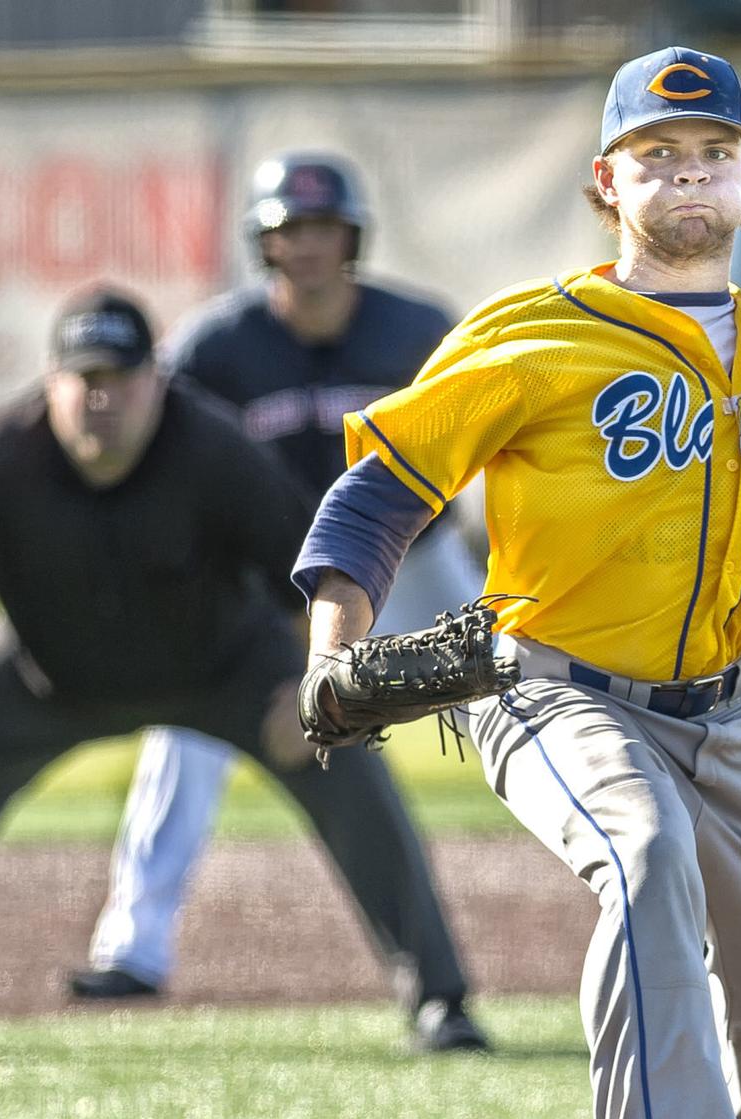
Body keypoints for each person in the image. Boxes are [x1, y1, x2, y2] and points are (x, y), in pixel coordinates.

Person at [291, 47, 741, 1119]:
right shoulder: (535, 333)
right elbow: (380, 493)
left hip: (732, 710)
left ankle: (740, 1062)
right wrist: (333, 644)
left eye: (714, 157)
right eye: (659, 158)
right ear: (609, 179)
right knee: (642, 861)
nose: (689, 180)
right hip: (554, 691)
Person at [0, 285, 483, 1053]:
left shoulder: (214, 445)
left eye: (119, 378)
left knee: (344, 757)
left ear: (158, 379)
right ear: (49, 382)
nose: (100, 398)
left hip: (225, 669)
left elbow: (307, 567)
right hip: (49, 676)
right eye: (83, 379)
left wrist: (308, 685)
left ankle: (438, 1001)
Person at [68, 156, 485, 1051]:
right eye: (288, 232)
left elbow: (481, 439)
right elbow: (164, 450)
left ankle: (630, 869)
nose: (306, 247)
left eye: (322, 229)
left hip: (410, 556)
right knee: (186, 731)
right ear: (265, 244)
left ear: (351, 238)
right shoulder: (218, 347)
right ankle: (133, 947)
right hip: (265, 573)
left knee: (523, 680)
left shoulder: (417, 329)